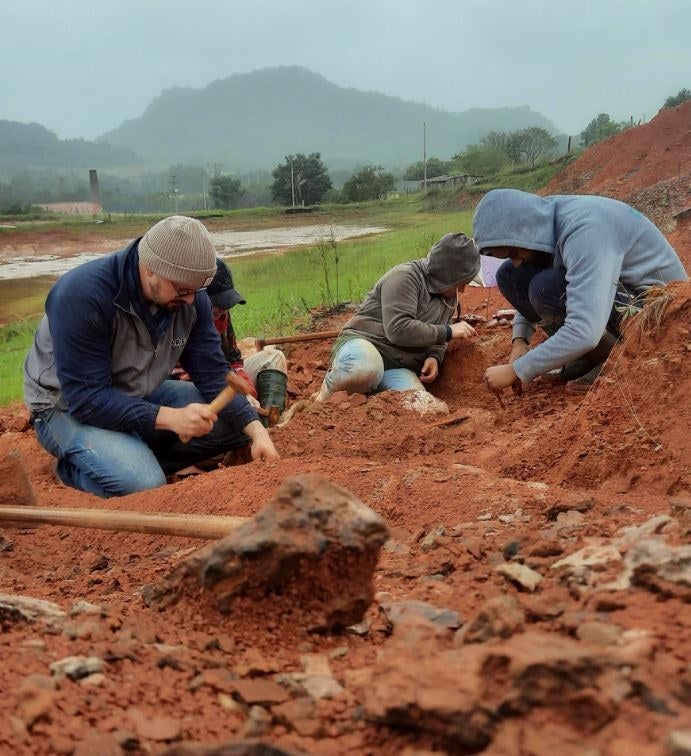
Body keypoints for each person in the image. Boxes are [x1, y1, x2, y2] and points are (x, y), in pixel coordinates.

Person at [24, 215, 279, 498]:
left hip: (136, 393)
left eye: (196, 291)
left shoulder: (191, 298)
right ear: (150, 269)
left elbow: (211, 371)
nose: (191, 300)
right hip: (65, 406)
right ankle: (74, 470)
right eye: (182, 290)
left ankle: (129, 452)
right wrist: (170, 418)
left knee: (237, 425)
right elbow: (87, 400)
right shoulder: (82, 296)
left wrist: (257, 432)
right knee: (142, 484)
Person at [473, 189, 688, 393]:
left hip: (657, 314)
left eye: (513, 252)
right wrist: (520, 341)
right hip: (622, 289)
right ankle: (588, 356)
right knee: (510, 276)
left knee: (546, 288)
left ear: (525, 231)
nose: (517, 262)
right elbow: (523, 271)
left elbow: (585, 330)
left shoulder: (585, 230)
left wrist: (516, 370)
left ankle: (616, 359)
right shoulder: (545, 221)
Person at [315, 232, 480, 400]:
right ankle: (323, 399)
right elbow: (398, 329)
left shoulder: (449, 297)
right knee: (363, 371)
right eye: (460, 283)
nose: (462, 290)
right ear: (446, 275)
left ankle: (367, 395)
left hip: (399, 365)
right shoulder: (405, 277)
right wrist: (449, 332)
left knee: (422, 405)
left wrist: (434, 357)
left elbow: (439, 335)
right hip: (367, 344)